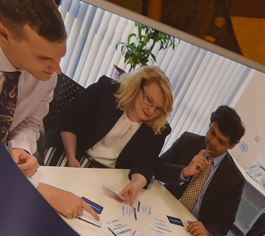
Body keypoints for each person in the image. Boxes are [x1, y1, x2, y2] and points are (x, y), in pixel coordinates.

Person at [0, 0, 94, 220]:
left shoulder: (47, 76)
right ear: (3, 33)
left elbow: (30, 120)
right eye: (44, 58)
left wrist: (20, 147)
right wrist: (37, 190)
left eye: (60, 58)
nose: (57, 70)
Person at [46, 66, 174, 206]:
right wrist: (71, 156)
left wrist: (136, 184)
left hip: (106, 173)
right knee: (55, 194)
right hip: (72, 151)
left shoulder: (158, 129)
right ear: (137, 87)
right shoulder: (107, 90)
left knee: (92, 208)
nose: (151, 111)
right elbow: (70, 119)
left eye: (158, 109)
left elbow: (145, 165)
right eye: (149, 100)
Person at [156, 106, 245, 236]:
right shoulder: (187, 141)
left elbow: (226, 221)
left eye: (221, 141)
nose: (213, 142)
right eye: (212, 132)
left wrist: (209, 232)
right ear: (210, 124)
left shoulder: (235, 179)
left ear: (232, 145)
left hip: (191, 230)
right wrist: (184, 172)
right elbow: (157, 168)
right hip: (164, 207)